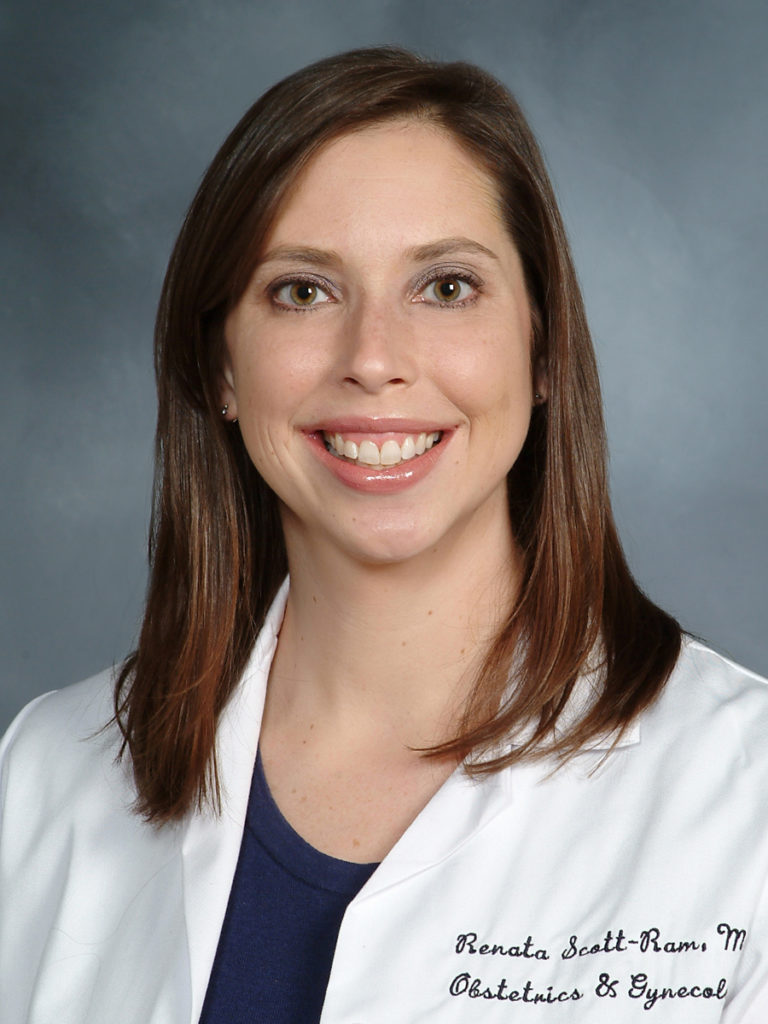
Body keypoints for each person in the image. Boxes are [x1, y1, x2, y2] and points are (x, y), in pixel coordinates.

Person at [1, 46, 767, 1024]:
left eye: (445, 287)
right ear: (222, 368)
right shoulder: (44, 775)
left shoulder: (749, 800)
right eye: (302, 291)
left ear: (543, 348)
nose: (372, 359)